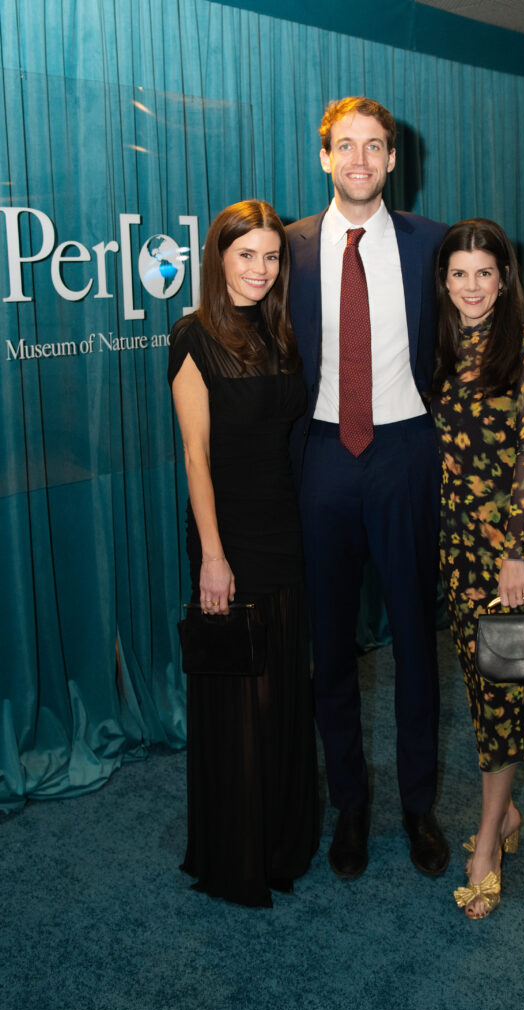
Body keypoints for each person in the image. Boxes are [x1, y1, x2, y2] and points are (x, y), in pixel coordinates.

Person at [286, 96, 449, 880]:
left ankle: (418, 803)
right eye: (344, 146)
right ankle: (350, 802)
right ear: (324, 157)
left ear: (393, 160)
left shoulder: (432, 245)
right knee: (330, 644)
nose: (358, 159)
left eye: (373, 146)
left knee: (417, 638)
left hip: (406, 453)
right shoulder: (283, 249)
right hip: (321, 458)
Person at [168, 200, 319, 908]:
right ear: (218, 258)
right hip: (228, 537)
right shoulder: (193, 338)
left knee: (285, 686)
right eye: (245, 255)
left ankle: (284, 842)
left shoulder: (280, 332)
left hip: (284, 527)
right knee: (240, 695)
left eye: (270, 256)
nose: (260, 270)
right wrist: (213, 558)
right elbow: (196, 457)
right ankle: (239, 855)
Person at [431, 218, 524, 919]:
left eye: (483, 273)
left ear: (504, 278)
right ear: (443, 282)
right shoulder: (441, 348)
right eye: (458, 274)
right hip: (455, 551)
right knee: (478, 692)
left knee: (506, 693)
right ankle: (503, 817)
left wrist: (514, 553)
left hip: (509, 553)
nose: (471, 287)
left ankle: (483, 845)